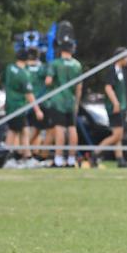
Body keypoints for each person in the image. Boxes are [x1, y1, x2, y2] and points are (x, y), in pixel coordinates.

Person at [45, 39, 83, 168]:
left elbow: (48, 81)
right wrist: (77, 102)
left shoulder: (55, 64)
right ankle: (72, 159)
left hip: (58, 100)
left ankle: (58, 158)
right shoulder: (77, 65)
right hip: (71, 101)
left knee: (59, 129)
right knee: (72, 129)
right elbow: (79, 86)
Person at [96, 49, 127, 168]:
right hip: (114, 107)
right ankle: (94, 154)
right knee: (116, 135)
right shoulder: (112, 70)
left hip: (121, 107)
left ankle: (120, 160)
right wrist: (116, 103)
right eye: (126, 57)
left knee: (119, 135)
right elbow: (108, 88)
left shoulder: (120, 71)